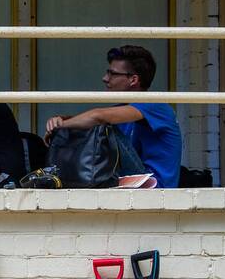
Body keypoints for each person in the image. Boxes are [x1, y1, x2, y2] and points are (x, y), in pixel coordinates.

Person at [44, 45, 182, 188]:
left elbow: (98, 117)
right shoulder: (124, 110)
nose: (105, 78)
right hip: (128, 179)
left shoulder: (155, 105)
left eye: (112, 73)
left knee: (102, 125)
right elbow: (93, 119)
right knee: (96, 126)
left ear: (133, 80)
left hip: (154, 187)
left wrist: (63, 126)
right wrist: (61, 121)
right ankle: (60, 178)